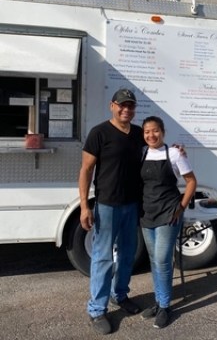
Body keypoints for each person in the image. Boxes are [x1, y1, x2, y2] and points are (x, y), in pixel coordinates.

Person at [78, 88, 144, 335]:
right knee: (103, 258)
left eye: (131, 106)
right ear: (112, 106)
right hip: (106, 205)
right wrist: (85, 206)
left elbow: (156, 151)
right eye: (122, 105)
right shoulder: (99, 133)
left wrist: (176, 150)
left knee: (127, 254)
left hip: (131, 205)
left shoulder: (138, 134)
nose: (126, 110)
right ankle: (96, 310)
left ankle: (120, 295)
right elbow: (86, 170)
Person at [139, 116, 197, 329]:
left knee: (163, 260)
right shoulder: (142, 153)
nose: (151, 135)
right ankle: (158, 301)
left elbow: (191, 181)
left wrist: (181, 207)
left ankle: (165, 306)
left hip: (169, 212)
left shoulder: (173, 153)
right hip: (147, 213)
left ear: (162, 132)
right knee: (154, 259)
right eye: (147, 132)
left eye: (155, 131)